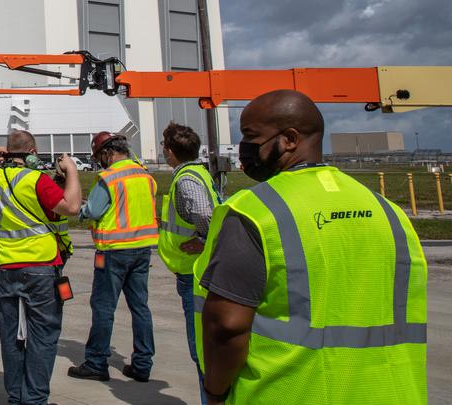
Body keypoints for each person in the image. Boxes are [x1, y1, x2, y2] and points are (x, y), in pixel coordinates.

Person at [195, 90, 427, 403]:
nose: (243, 148)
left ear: (289, 139)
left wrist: (214, 391)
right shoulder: (388, 211)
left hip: (292, 392)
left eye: (251, 136)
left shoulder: (254, 212)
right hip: (391, 392)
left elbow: (227, 325)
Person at [0, 130, 81, 405]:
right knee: (43, 336)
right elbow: (72, 206)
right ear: (32, 152)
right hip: (42, 268)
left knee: (11, 337)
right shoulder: (37, 180)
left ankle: (15, 397)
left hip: (7, 268)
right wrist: (72, 171)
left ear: (6, 153)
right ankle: (34, 399)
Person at [68, 131, 158, 384]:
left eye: (99, 157)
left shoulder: (108, 178)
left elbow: (95, 210)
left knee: (104, 307)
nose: (99, 162)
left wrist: (81, 208)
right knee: (140, 307)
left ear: (107, 153)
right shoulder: (145, 175)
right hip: (142, 249)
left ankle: (96, 362)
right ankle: (142, 363)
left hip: (113, 251)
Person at [157, 122, 219, 404]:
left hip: (193, 270)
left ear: (171, 151)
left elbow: (205, 214)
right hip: (192, 267)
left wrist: (204, 241)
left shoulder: (186, 180)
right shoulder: (198, 173)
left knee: (201, 349)